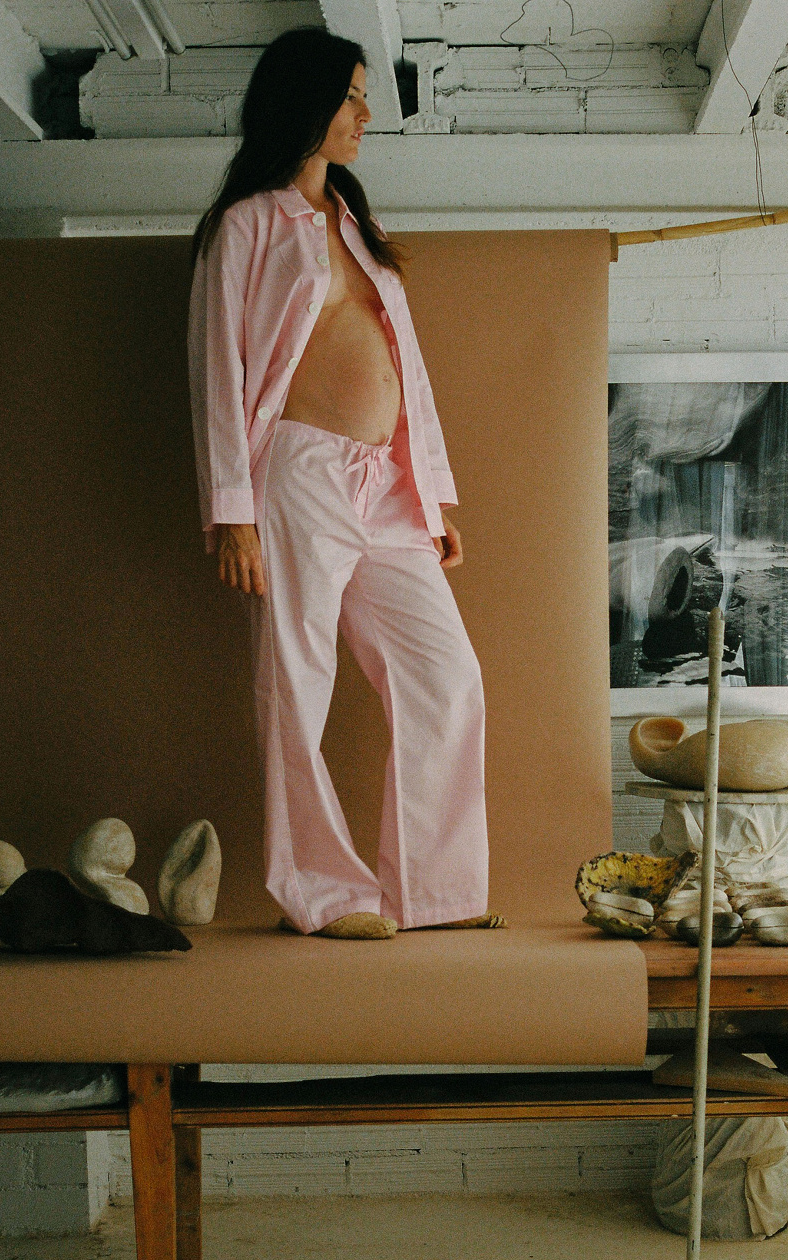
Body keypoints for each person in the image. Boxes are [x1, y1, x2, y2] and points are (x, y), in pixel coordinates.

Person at [188, 27, 498, 939]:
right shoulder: (247, 225)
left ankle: (434, 895)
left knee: (447, 676)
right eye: (352, 94)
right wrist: (231, 512)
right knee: (297, 684)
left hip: (385, 484)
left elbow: (410, 371)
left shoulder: (357, 226)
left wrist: (431, 494)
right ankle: (323, 895)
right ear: (305, 101)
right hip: (297, 475)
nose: (366, 113)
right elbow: (215, 374)